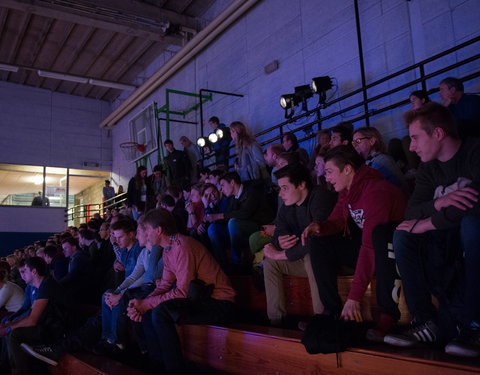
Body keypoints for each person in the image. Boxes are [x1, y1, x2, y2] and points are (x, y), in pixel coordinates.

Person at [382, 102, 480, 358]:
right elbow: (411, 212)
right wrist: (440, 202)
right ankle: (425, 322)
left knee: (472, 224)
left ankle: (475, 325)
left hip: (471, 231)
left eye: (415, 138)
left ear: (438, 133)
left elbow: (476, 204)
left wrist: (430, 221)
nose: (411, 146)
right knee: (403, 233)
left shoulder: (475, 151)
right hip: (448, 234)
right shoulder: (428, 168)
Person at [302, 145, 406, 336]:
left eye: (330, 172)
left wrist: (354, 297)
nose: (326, 177)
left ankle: (388, 317)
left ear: (347, 169)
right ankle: (332, 310)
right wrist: (320, 227)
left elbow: (370, 248)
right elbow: (336, 221)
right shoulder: (347, 190)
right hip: (370, 246)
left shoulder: (376, 192)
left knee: (380, 238)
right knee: (318, 241)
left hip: (394, 251)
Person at [126, 208, 236, 374]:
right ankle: (157, 363)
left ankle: (174, 370)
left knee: (160, 312)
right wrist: (142, 304)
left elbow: (182, 292)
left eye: (146, 229)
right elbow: (163, 285)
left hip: (219, 303)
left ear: (158, 230)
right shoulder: (169, 248)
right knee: (151, 310)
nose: (144, 233)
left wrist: (146, 304)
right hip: (201, 299)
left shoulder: (183, 246)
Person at [263, 164, 337, 326]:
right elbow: (278, 233)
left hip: (333, 261)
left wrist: (282, 254)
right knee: (271, 263)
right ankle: (276, 320)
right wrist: (278, 242)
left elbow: (318, 238)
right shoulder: (287, 206)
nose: (281, 194)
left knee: (312, 256)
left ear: (302, 185)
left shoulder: (319, 197)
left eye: (284, 188)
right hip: (302, 259)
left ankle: (321, 320)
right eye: (279, 189)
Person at [1, 257, 72, 374]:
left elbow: (32, 320)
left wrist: (8, 328)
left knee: (14, 334)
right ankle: (11, 367)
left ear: (34, 272)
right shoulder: (41, 285)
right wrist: (9, 324)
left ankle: (18, 371)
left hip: (60, 330)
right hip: (48, 325)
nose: (23, 274)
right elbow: (30, 314)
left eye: (25, 271)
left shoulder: (47, 285)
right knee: (12, 330)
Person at [206, 172, 274, 269]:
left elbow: (245, 213)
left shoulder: (251, 191)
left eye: (223, 185)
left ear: (232, 183)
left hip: (259, 226)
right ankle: (222, 264)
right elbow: (227, 217)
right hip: (241, 229)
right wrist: (209, 208)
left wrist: (219, 215)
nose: (221, 189)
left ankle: (236, 262)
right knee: (213, 229)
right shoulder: (233, 198)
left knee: (233, 223)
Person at [352, 126, 409, 195]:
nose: (355, 145)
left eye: (358, 141)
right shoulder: (369, 162)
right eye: (353, 142)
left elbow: (400, 189)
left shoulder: (381, 161)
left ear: (372, 141)